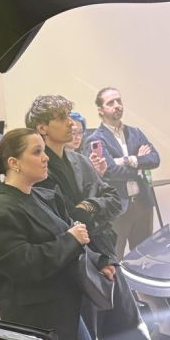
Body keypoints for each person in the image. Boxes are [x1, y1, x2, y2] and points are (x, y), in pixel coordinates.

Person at [0, 128, 113, 340]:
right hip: (39, 324)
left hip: (66, 311)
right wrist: (70, 240)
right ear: (14, 163)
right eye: (37, 152)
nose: (46, 157)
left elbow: (70, 233)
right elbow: (24, 265)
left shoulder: (42, 196)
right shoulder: (1, 214)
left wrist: (100, 261)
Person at [24, 94, 121, 259]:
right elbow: (66, 219)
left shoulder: (80, 160)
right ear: (42, 128)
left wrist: (90, 204)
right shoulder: (37, 170)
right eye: (62, 118)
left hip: (103, 250)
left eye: (69, 116)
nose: (71, 123)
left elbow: (114, 199)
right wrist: (92, 208)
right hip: (68, 257)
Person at [83, 86, 160, 255]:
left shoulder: (135, 133)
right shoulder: (96, 139)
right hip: (117, 208)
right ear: (100, 110)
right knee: (115, 256)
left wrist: (128, 160)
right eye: (111, 103)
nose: (117, 105)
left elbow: (155, 159)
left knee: (145, 256)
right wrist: (139, 166)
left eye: (119, 101)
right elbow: (110, 171)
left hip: (142, 203)